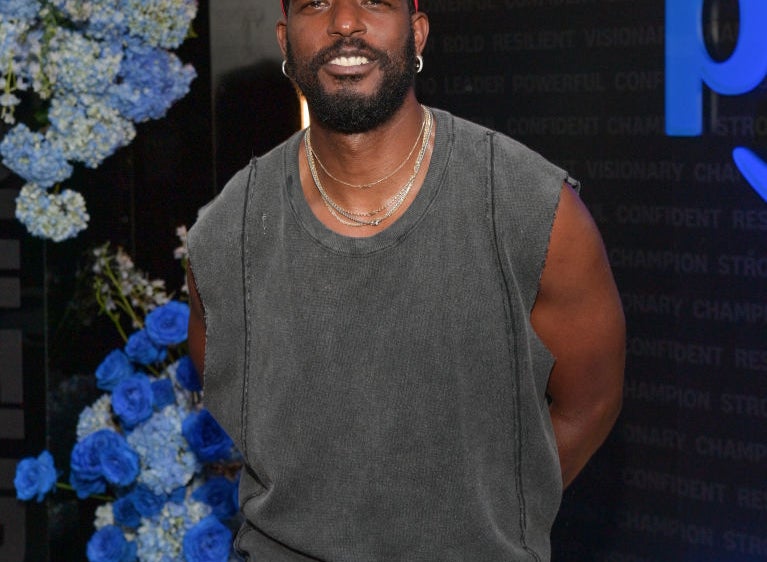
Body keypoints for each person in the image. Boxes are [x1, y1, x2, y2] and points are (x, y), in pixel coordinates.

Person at [186, 0, 625, 559]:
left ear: (416, 33)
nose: (345, 22)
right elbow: (239, 416)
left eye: (375, 1)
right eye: (316, 3)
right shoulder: (227, 235)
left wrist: (473, 519)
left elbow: (590, 403)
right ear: (284, 39)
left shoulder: (530, 208)